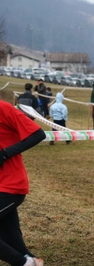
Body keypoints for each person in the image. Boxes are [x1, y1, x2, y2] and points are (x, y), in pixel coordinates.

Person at [0, 100, 46, 266]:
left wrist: (5, 154)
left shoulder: (3, 108)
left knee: (19, 255)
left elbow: (38, 134)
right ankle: (29, 261)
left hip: (10, 187)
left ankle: (23, 263)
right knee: (14, 243)